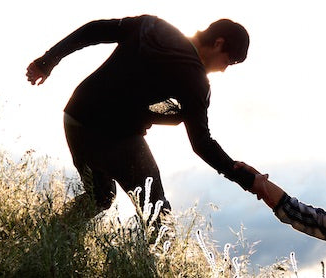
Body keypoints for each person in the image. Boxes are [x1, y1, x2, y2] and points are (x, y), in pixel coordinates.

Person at [25, 15, 255, 217]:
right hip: (115, 135)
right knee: (157, 212)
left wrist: (48, 61)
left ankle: (41, 236)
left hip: (77, 116)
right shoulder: (196, 83)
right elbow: (202, 143)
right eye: (228, 61)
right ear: (218, 43)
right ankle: (155, 266)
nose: (224, 69)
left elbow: (93, 30)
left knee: (101, 197)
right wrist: (242, 176)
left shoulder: (151, 26)